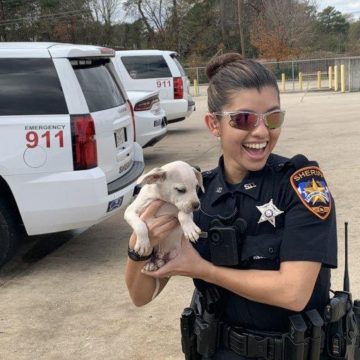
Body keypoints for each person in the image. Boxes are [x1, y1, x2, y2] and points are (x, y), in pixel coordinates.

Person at [125, 53, 338, 359]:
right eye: (244, 119)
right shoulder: (194, 194)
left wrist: (203, 270)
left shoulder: (301, 184)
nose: (262, 132)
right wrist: (140, 245)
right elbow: (141, 296)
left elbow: (294, 292)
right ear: (214, 124)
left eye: (273, 117)